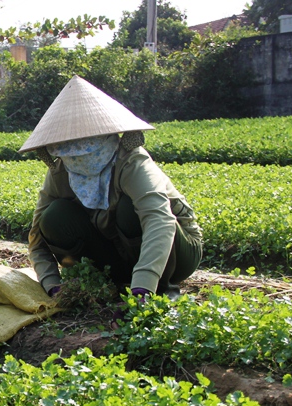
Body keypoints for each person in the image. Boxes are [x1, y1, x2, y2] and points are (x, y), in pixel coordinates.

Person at [19, 75, 203, 302]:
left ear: (106, 139)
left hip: (177, 253)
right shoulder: (62, 171)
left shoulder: (132, 163)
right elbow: (37, 236)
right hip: (115, 251)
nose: (79, 159)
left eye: (86, 150)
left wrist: (143, 287)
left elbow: (160, 220)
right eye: (70, 154)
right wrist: (52, 284)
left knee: (129, 209)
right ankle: (112, 282)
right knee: (55, 215)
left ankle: (159, 289)